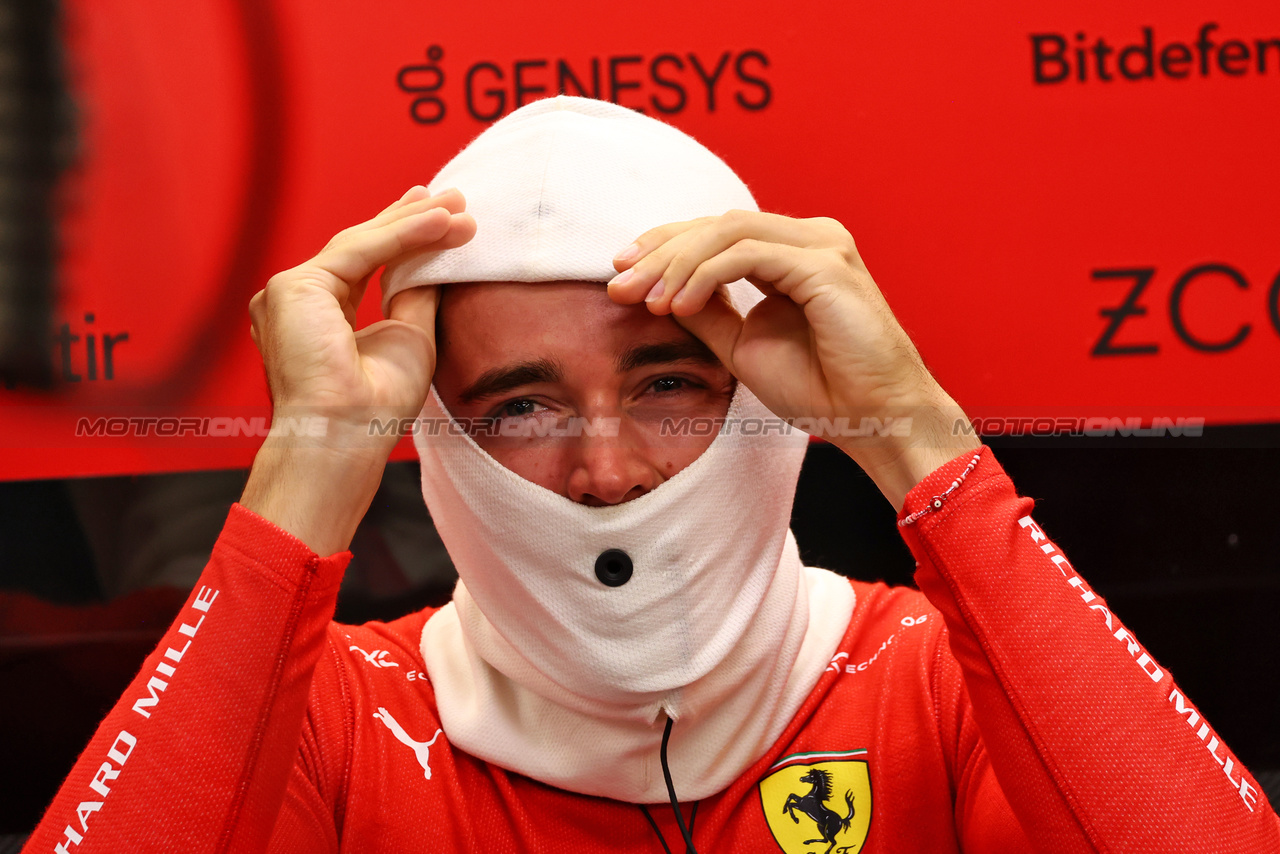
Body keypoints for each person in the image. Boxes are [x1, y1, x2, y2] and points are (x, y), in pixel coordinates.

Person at [22, 97, 1280, 853]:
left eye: (671, 383)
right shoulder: (344, 717)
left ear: (763, 398)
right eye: (518, 405)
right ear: (439, 438)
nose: (607, 469)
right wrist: (307, 475)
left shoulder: (930, 677)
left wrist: (911, 430)